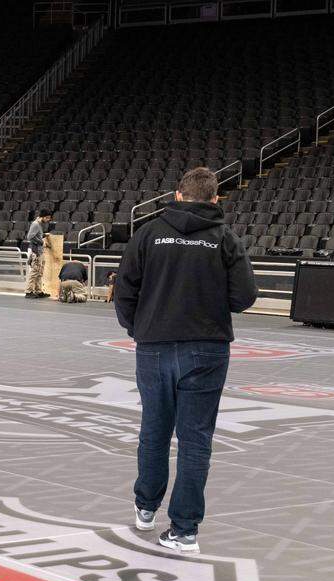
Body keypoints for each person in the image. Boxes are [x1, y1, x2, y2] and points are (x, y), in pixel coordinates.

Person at [114, 167, 258, 553]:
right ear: (214, 200)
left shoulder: (147, 234)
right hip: (207, 348)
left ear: (177, 195)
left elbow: (124, 290)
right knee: (196, 440)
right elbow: (245, 297)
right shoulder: (225, 238)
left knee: (154, 430)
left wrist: (139, 328)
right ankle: (184, 530)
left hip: (154, 345)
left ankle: (146, 507)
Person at [24, 210, 53, 298]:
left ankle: (38, 290)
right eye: (47, 218)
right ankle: (28, 292)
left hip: (40, 251)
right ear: (43, 217)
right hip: (36, 251)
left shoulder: (39, 225)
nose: (48, 220)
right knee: (34, 272)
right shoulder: (35, 224)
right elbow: (29, 237)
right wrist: (41, 242)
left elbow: (37, 235)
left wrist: (44, 235)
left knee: (39, 272)